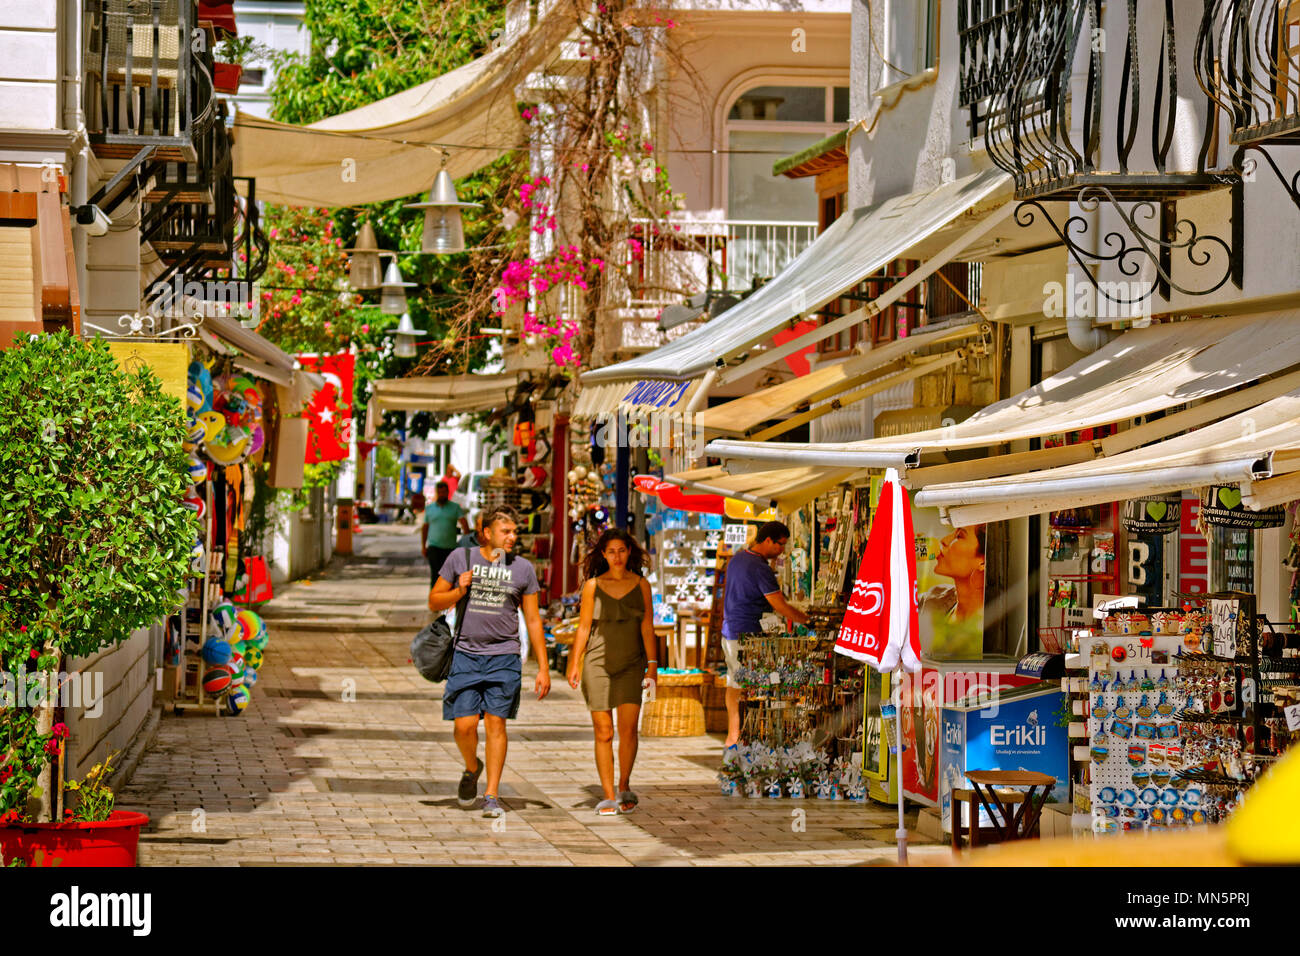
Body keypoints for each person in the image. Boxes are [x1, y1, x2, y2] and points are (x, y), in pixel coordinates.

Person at [429, 508, 550, 818]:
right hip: (466, 655)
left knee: (497, 724)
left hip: (504, 657)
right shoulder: (461, 558)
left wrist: (544, 667)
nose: (512, 537)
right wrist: (459, 589)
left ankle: (492, 794)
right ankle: (473, 767)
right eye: (505, 531)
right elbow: (434, 600)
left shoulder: (522, 569)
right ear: (486, 533)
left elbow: (534, 620)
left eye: (514, 531)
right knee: (463, 726)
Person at [565, 529, 657, 815]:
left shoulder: (642, 585)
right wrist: (573, 663)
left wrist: (653, 666)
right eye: (611, 551)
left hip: (632, 663)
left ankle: (624, 784)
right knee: (603, 731)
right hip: (597, 664)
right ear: (603, 555)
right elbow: (583, 628)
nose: (617, 556)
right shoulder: (592, 586)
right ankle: (607, 795)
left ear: (630, 552)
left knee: (628, 730)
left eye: (622, 550)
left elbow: (647, 627)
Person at [720, 521, 810, 750]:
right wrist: (808, 620)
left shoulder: (738, 558)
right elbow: (779, 605)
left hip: (731, 629)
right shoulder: (759, 567)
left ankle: (734, 733)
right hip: (746, 633)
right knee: (746, 685)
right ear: (768, 540)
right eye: (781, 544)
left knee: (735, 682)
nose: (782, 550)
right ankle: (737, 736)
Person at [420, 480, 470, 588]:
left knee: (449, 575)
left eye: (444, 492)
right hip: (434, 547)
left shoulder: (455, 507)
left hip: (450, 548)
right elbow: (425, 528)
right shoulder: (429, 509)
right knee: (435, 574)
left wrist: (466, 542)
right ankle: (435, 599)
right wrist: (423, 546)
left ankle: (448, 599)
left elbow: (464, 524)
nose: (442, 495)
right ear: (437, 493)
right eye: (440, 492)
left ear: (447, 493)